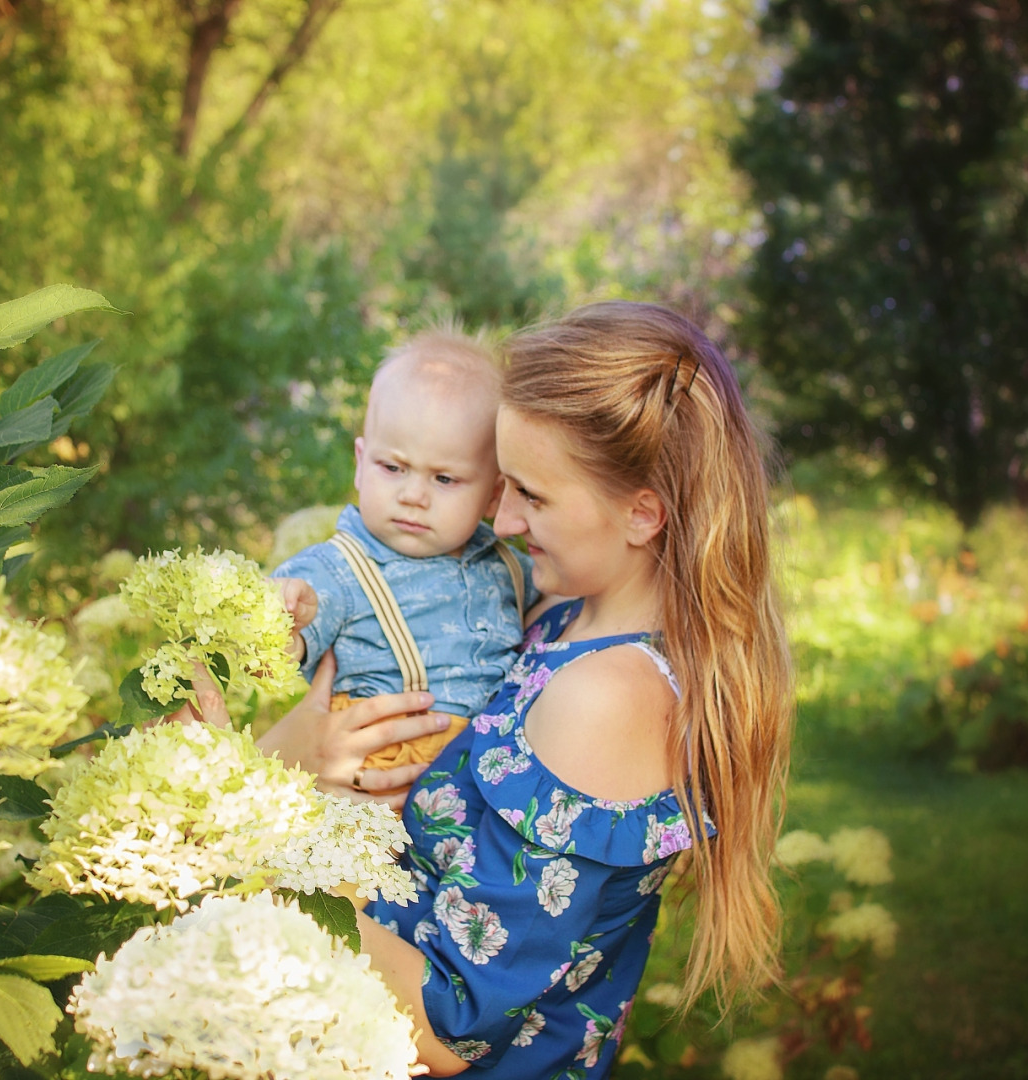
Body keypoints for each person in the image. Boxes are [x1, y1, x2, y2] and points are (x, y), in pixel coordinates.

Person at [224, 301, 792, 1076]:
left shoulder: (606, 699)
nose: (505, 518)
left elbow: (452, 1020)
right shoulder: (560, 622)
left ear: (642, 514)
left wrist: (250, 824)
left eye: (531, 493)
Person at [272, 328, 538, 775]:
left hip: (477, 781)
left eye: (444, 479)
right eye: (393, 468)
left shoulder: (511, 568)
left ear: (493, 497)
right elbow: (295, 629)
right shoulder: (340, 569)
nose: (413, 495)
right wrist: (285, 618)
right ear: (360, 463)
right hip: (372, 772)